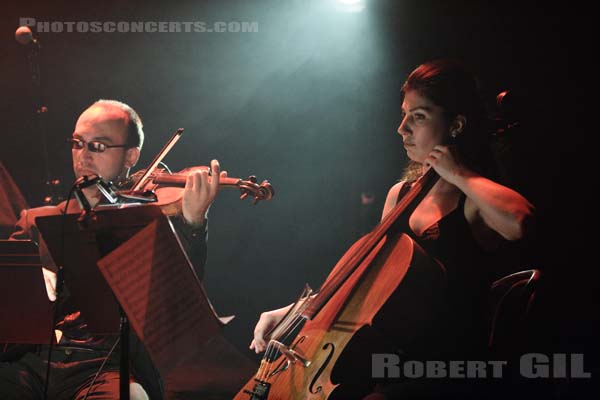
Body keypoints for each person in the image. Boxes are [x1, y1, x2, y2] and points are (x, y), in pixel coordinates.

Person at [248, 59, 535, 399]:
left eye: (418, 116)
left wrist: (458, 173)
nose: (402, 128)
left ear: (456, 125)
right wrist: (292, 314)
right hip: (389, 363)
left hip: (444, 372)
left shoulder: (473, 200)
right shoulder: (400, 195)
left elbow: (521, 221)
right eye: (404, 114)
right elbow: (364, 287)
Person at [0, 99, 226, 399]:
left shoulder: (146, 219)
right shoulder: (37, 220)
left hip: (106, 367)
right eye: (78, 144)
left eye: (98, 146)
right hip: (35, 362)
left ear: (131, 155)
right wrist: (30, 287)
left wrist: (194, 223)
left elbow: (178, 300)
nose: (83, 156)